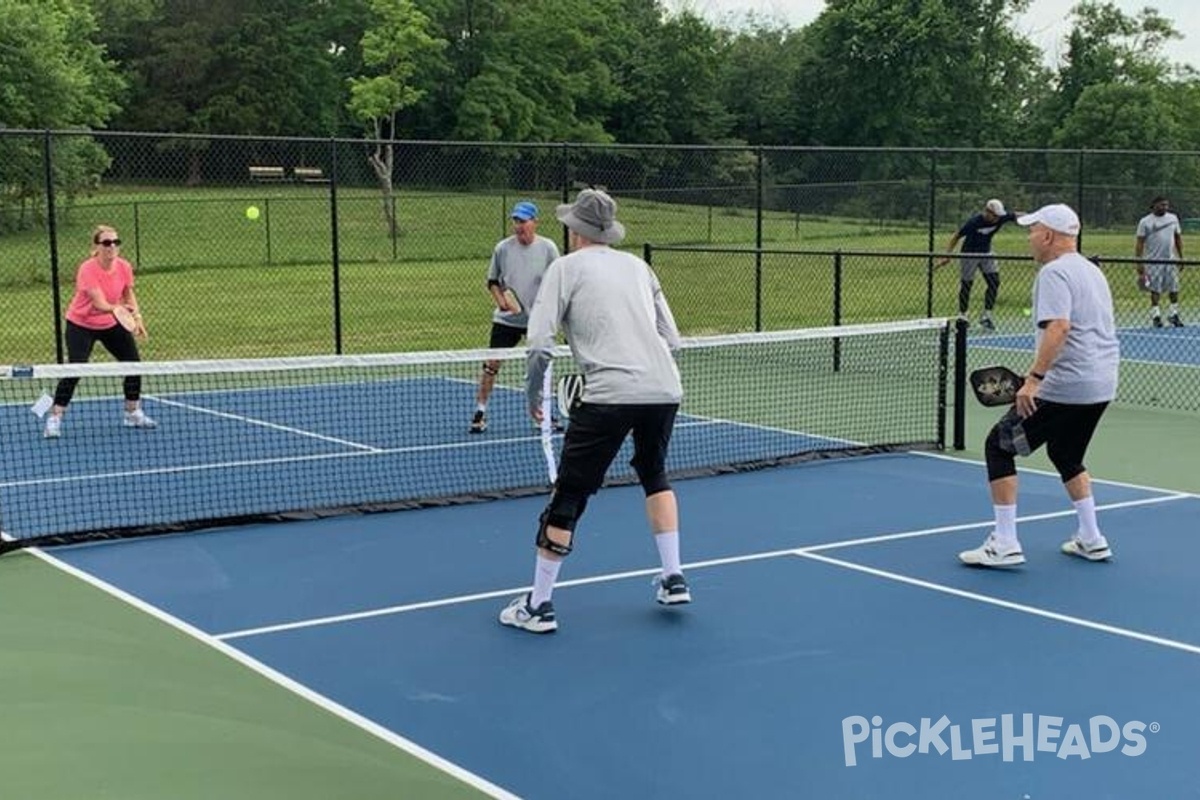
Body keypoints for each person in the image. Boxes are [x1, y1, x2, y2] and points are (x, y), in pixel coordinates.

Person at [498, 189, 688, 633]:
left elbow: (540, 343)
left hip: (607, 394)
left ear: (574, 230)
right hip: (664, 389)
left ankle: (538, 606)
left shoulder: (563, 269)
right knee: (653, 471)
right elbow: (673, 339)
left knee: (570, 493)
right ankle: (673, 576)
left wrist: (533, 398)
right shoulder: (639, 267)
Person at [958, 203, 1119, 568]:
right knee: (1066, 454)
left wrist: (1033, 380)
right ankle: (1092, 538)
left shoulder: (1053, 274)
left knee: (999, 446)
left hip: (1064, 387)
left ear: (1048, 236)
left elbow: (1059, 327)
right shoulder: (1092, 271)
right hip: (1100, 385)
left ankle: (1004, 542)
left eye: (1033, 231)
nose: (1029, 237)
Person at [44, 225, 156, 438]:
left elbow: (128, 293)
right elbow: (99, 303)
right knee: (76, 368)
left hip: (110, 323)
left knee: (133, 363)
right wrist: (118, 310)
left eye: (115, 242)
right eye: (106, 243)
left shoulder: (124, 266)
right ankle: (55, 418)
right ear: (96, 246)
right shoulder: (87, 269)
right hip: (81, 324)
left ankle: (132, 413)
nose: (111, 246)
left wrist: (137, 318)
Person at [469, 200, 560, 433]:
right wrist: (502, 302)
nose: (518, 226)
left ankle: (541, 413)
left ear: (534, 222)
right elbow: (492, 282)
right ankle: (480, 412)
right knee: (491, 365)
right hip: (506, 321)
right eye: (515, 221)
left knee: (540, 366)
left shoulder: (548, 248)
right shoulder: (502, 249)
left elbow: (558, 282)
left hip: (537, 320)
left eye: (523, 221)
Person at [937, 198, 1021, 330]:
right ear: (987, 211)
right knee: (967, 284)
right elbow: (956, 236)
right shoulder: (974, 222)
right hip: (969, 254)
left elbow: (1016, 216)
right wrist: (946, 255)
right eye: (994, 215)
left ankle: (986, 317)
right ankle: (963, 316)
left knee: (994, 281)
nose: (996, 219)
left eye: (998, 216)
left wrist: (1035, 218)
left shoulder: (1001, 218)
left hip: (986, 253)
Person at [1135, 196, 1184, 327]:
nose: (1165, 208)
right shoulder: (1145, 222)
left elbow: (1177, 238)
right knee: (1155, 289)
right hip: (1153, 261)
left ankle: (1173, 314)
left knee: (1174, 288)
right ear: (1154, 205)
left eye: (1166, 205)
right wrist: (1139, 262)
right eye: (1162, 205)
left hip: (1170, 260)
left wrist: (1181, 257)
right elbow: (1140, 243)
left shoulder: (1173, 218)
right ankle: (1156, 315)